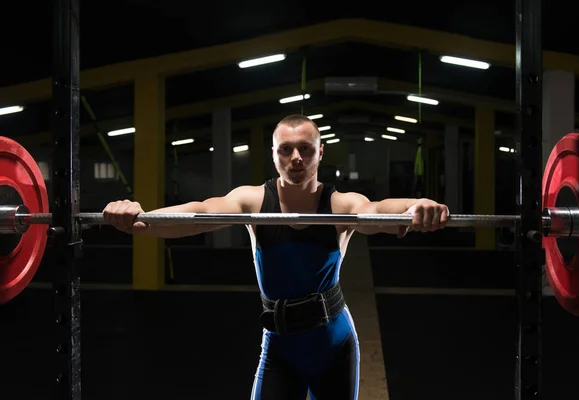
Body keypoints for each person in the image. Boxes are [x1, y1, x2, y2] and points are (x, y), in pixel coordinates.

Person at [103, 114, 450, 400]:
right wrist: (141, 220)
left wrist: (413, 207)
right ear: (273, 154)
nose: (296, 158)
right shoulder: (253, 201)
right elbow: (201, 213)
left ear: (320, 152)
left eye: (305, 149)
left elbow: (376, 210)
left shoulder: (339, 204)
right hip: (280, 346)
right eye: (286, 149)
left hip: (334, 345)